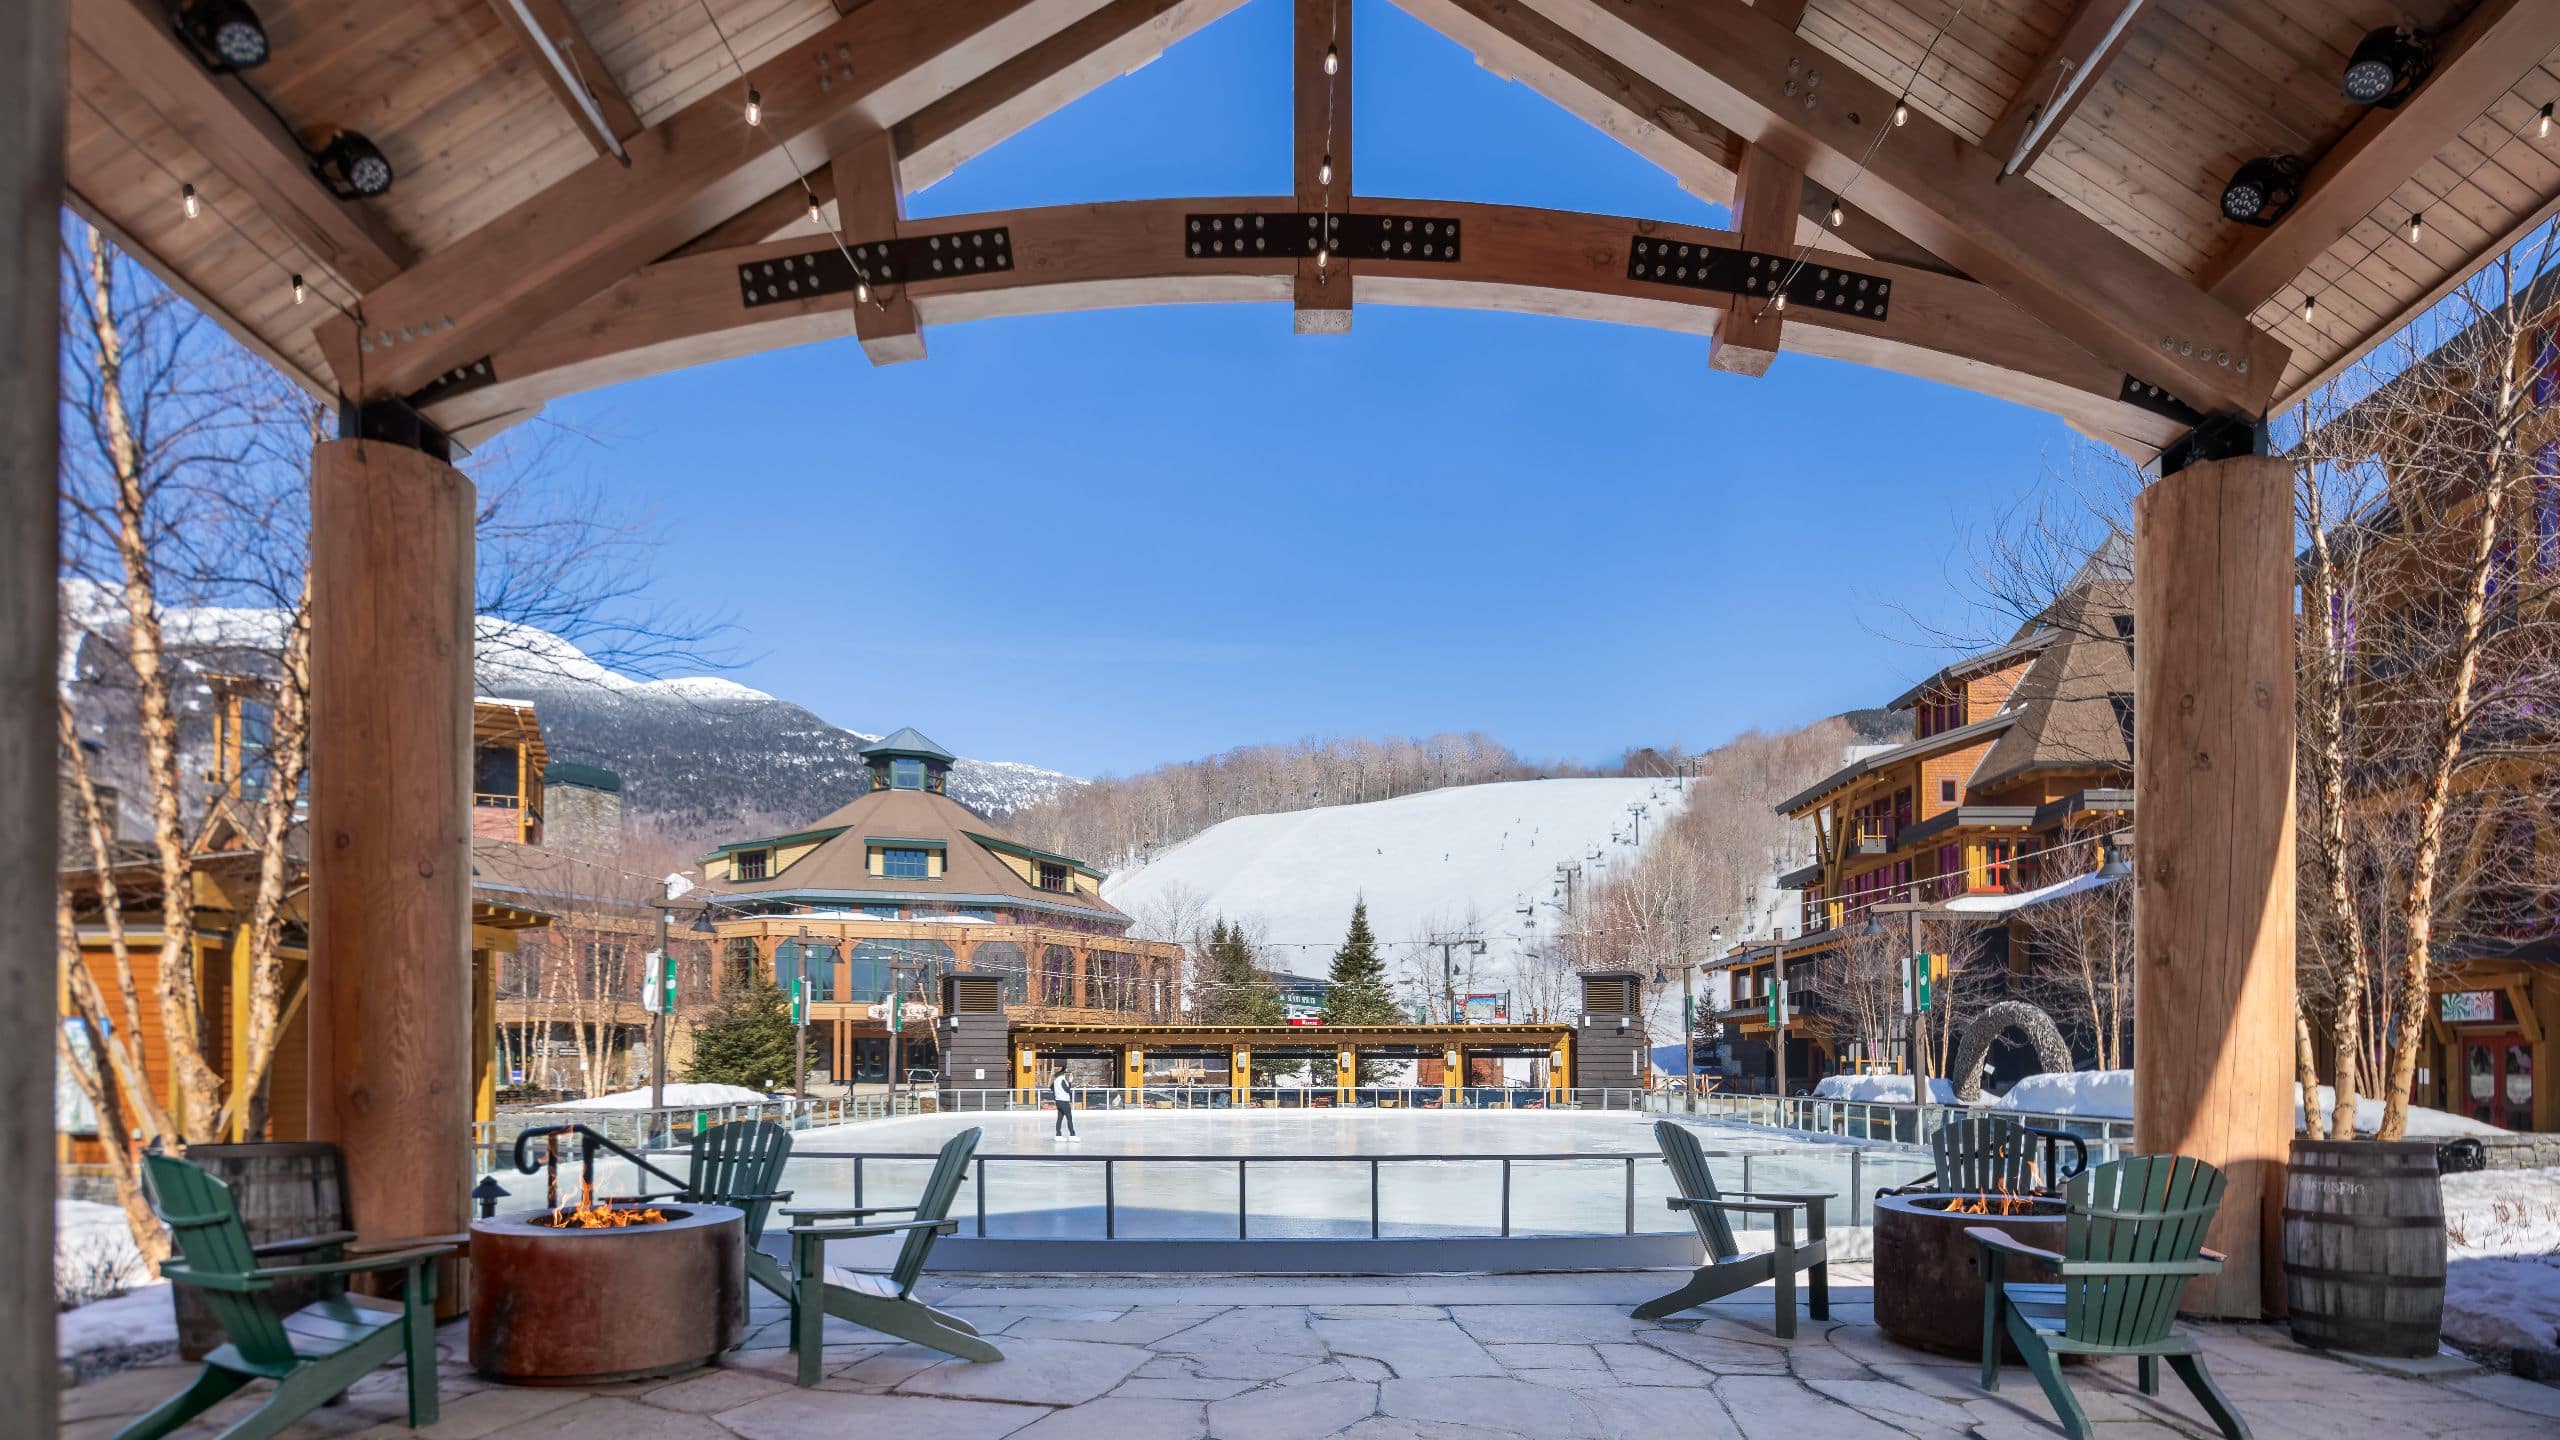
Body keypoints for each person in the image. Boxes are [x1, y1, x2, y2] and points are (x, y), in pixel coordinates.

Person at [1051, 1068, 1078, 1140]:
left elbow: (1051, 1088)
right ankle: (1072, 1135)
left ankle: (1058, 1135)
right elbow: (1067, 1090)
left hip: (1058, 1101)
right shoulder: (1062, 1080)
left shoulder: (1056, 1080)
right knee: (1069, 1118)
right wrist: (1070, 1082)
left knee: (1059, 1118)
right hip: (1064, 1101)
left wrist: (1057, 1095)